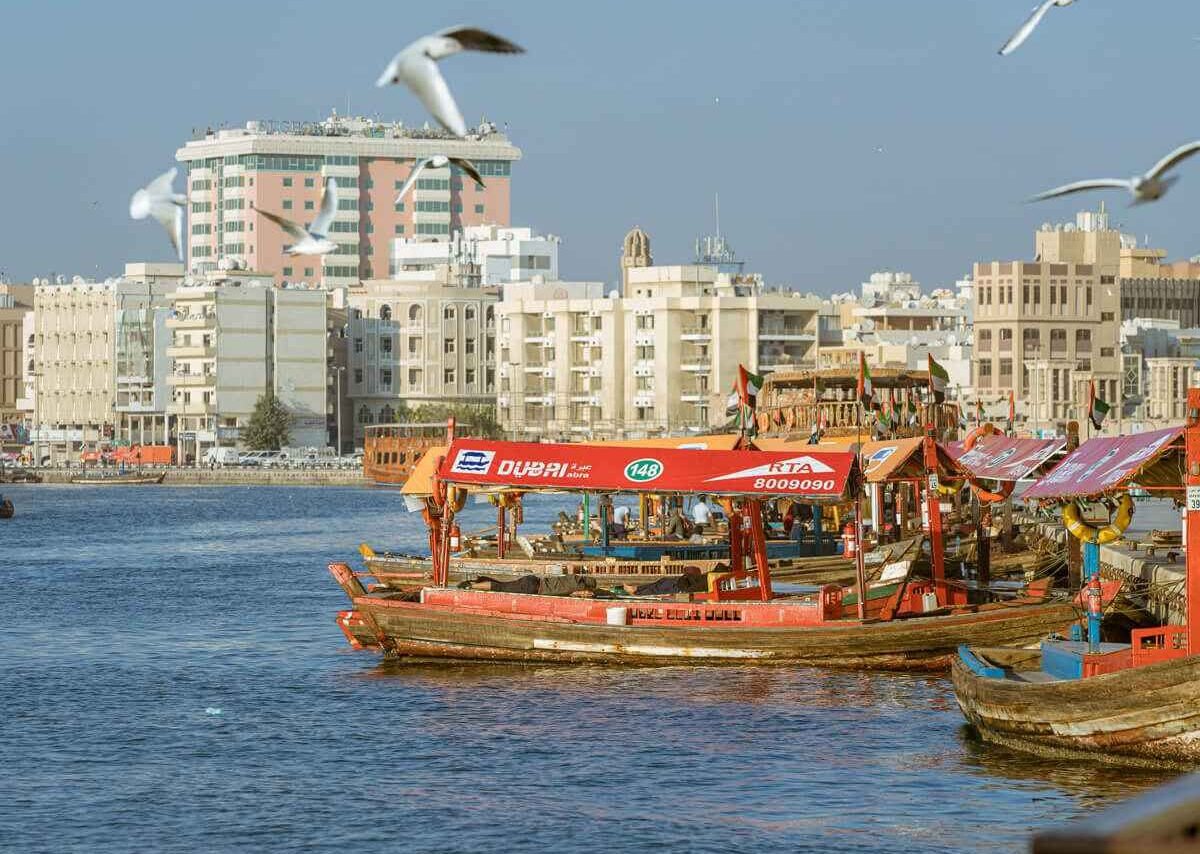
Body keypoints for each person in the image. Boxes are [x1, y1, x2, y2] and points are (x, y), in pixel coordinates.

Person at [462, 574, 598, 598]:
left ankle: (478, 581)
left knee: (504, 585)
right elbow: (581, 594)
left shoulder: (573, 578)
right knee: (501, 588)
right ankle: (470, 586)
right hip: (533, 588)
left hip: (534, 581)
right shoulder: (577, 586)